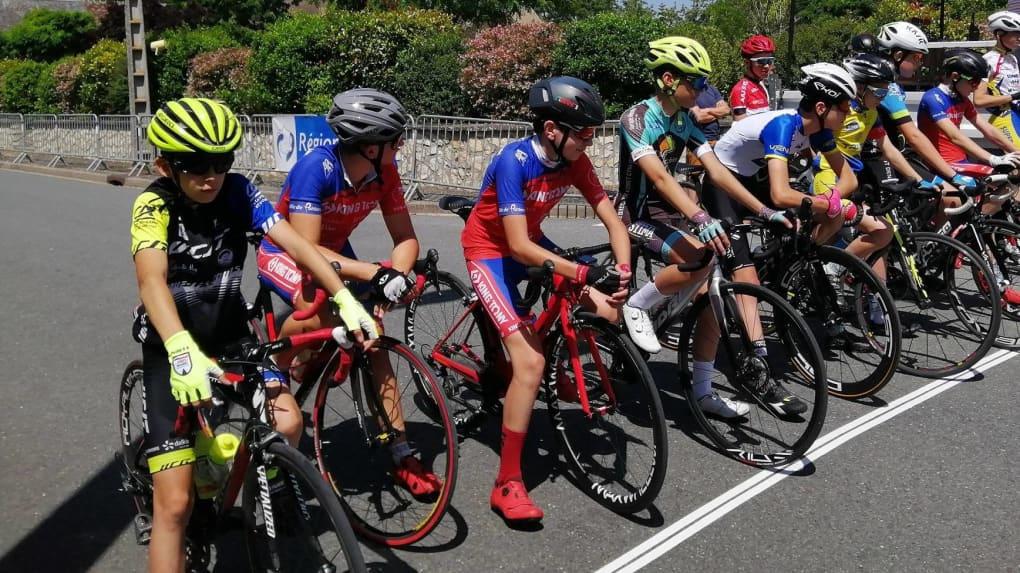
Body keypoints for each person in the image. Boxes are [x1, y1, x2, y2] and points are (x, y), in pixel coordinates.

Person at [132, 97, 377, 572]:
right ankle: (188, 476)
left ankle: (245, 479)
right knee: (175, 507)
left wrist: (344, 297)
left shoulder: (240, 191)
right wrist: (181, 348)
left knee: (285, 423)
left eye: (221, 162)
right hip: (171, 345)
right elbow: (151, 281)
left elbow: (297, 245)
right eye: (195, 165)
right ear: (165, 165)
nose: (211, 176)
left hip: (231, 338)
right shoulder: (152, 205)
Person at [461, 76, 632, 523]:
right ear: (552, 129)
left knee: (607, 307)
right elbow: (516, 246)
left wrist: (624, 270)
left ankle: (554, 358)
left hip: (530, 243)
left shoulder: (574, 161)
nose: (590, 142)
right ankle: (507, 483)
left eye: (594, 133)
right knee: (529, 363)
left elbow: (614, 222)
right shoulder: (513, 160)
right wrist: (580, 271)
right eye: (585, 133)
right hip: (490, 252)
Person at [256, 87, 442, 495]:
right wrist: (374, 273)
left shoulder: (384, 173)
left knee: (373, 339)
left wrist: (397, 277)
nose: (402, 146)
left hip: (338, 253)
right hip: (286, 251)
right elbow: (308, 254)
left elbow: (405, 238)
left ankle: (402, 452)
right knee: (314, 305)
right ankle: (275, 362)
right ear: (371, 146)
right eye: (395, 140)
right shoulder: (316, 169)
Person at [617, 36, 803, 419]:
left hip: (669, 212)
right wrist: (700, 217)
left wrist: (763, 210)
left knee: (709, 291)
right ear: (669, 79)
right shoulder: (636, 118)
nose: (703, 91)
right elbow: (660, 178)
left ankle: (702, 393)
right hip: (635, 215)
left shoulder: (684, 120)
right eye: (696, 82)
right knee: (700, 258)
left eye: (704, 83)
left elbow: (716, 169)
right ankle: (638, 305)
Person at [916, 50, 1020, 301]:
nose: (976, 88)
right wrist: (991, 158)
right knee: (955, 198)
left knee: (1011, 179)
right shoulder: (934, 98)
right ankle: (940, 245)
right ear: (954, 77)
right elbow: (954, 136)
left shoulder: (963, 99)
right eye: (973, 82)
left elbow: (986, 129)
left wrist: (1014, 151)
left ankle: (967, 232)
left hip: (960, 161)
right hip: (938, 163)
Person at [872, 21, 979, 191]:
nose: (920, 63)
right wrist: (953, 175)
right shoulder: (888, 88)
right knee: (950, 196)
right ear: (898, 55)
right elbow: (913, 136)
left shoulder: (894, 86)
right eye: (917, 57)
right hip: (880, 158)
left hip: (896, 153)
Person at [975, 11, 1020, 149]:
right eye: (1016, 34)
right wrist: (1013, 96)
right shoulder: (989, 60)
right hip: (1003, 117)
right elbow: (979, 100)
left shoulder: (1012, 58)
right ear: (999, 35)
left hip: (1016, 114)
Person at [730, 34, 776, 121]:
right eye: (761, 61)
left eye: (770, 61)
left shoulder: (761, 85)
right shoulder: (740, 90)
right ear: (747, 63)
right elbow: (740, 127)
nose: (766, 66)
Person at [687, 79, 730, 166]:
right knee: (696, 175)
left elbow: (726, 109)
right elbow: (699, 117)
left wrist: (707, 110)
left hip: (715, 142)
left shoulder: (712, 89)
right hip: (697, 144)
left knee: (715, 175)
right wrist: (719, 114)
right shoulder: (690, 90)